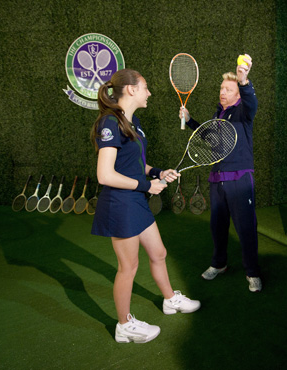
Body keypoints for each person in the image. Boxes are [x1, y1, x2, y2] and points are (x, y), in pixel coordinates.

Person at [90, 69, 200, 343]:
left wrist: (158, 173)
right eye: (146, 88)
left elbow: (136, 163)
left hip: (135, 200)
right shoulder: (109, 123)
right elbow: (105, 175)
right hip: (120, 203)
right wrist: (146, 186)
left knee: (159, 253)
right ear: (130, 89)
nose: (149, 93)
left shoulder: (133, 121)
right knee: (128, 266)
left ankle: (169, 300)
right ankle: (124, 325)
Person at [180, 54, 262, 292]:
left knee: (246, 228)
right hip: (217, 181)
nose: (223, 92)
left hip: (240, 180)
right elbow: (211, 139)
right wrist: (191, 121)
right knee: (217, 227)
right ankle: (219, 264)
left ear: (237, 94)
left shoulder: (244, 113)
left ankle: (253, 272)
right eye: (222, 88)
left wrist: (244, 81)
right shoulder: (219, 115)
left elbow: (252, 102)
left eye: (228, 89)